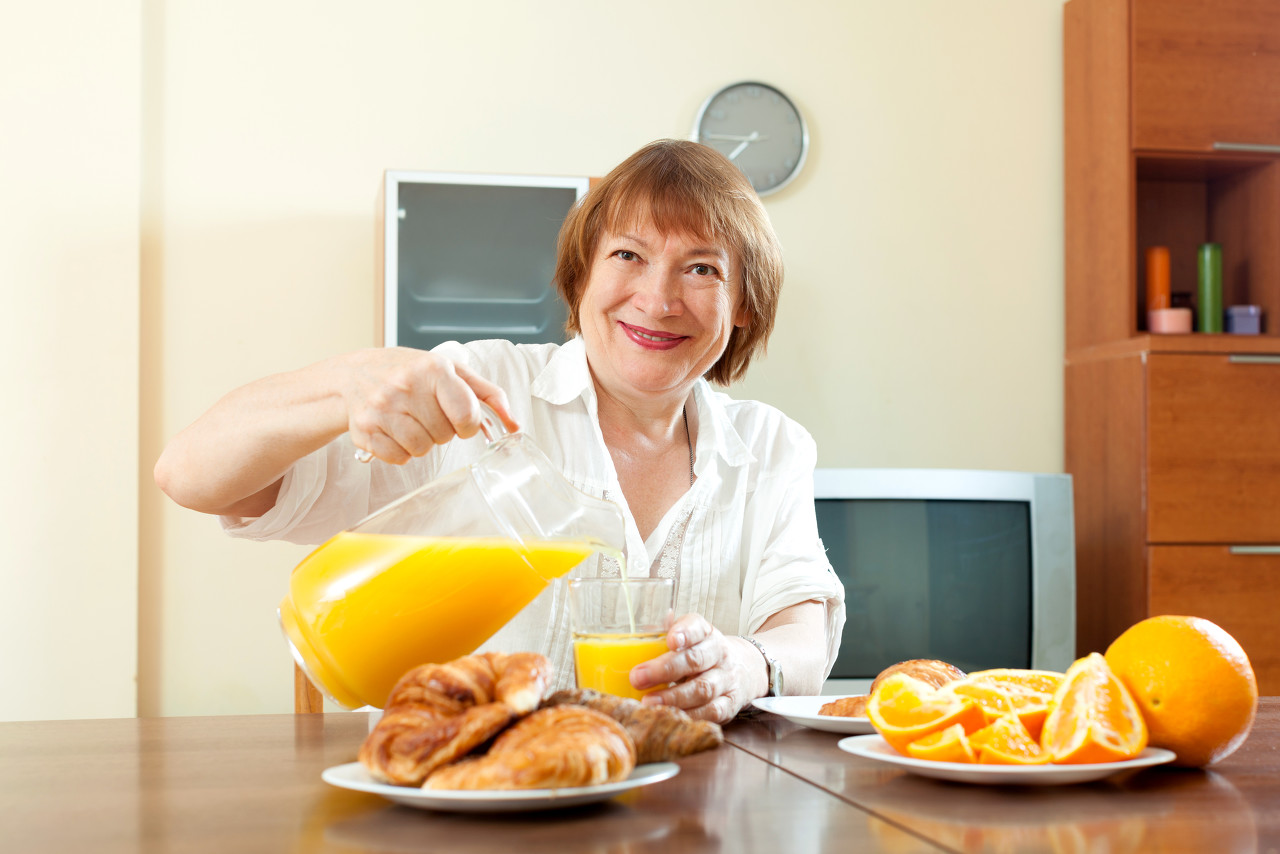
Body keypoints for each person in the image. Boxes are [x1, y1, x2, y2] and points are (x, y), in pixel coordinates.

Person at [154, 139, 845, 723]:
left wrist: (748, 666)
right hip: (467, 806)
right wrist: (346, 382)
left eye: (701, 268)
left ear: (744, 306)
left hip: (684, 815)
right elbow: (189, 476)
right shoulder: (477, 392)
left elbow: (802, 637)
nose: (658, 298)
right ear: (580, 278)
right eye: (628, 256)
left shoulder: (773, 447)